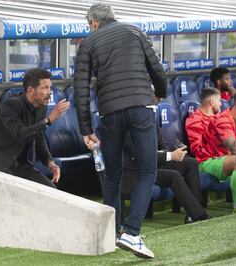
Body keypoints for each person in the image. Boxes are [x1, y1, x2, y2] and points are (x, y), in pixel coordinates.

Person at [74, 3, 167, 259]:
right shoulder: (135, 31)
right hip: (140, 107)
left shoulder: (88, 43)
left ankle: (113, 235)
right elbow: (157, 69)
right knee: (148, 169)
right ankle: (132, 232)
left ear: (93, 22)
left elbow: (80, 89)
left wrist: (85, 128)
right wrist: (161, 93)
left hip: (109, 113)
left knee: (113, 175)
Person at [0, 68, 70, 188]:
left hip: (18, 165)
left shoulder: (41, 107)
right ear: (30, 90)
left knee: (51, 191)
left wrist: (49, 161)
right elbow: (20, 134)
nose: (49, 92)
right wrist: (49, 120)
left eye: (50, 87)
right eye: (45, 88)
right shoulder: (10, 106)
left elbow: (38, 135)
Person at [123, 128, 209, 225]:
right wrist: (169, 155)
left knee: (191, 163)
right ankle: (198, 215)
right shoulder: (130, 129)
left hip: (156, 163)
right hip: (140, 171)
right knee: (174, 176)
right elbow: (140, 157)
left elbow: (163, 147)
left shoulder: (152, 122)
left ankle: (193, 211)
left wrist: (165, 154)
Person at [185, 88, 222, 157]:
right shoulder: (194, 120)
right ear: (212, 102)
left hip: (225, 154)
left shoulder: (219, 117)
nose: (221, 104)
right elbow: (198, 151)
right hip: (210, 159)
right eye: (219, 100)